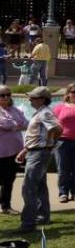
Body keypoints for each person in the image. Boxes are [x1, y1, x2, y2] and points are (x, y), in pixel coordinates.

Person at [16, 86, 61, 232]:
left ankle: (28, 223)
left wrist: (49, 143)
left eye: (33, 97)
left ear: (42, 99)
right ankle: (42, 216)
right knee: (40, 186)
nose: (30, 99)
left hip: (39, 154)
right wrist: (26, 149)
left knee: (28, 188)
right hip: (36, 152)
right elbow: (39, 135)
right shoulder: (40, 113)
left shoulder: (45, 113)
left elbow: (58, 129)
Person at [0, 86, 25, 215]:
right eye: (2, 95)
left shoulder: (15, 110)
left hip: (15, 151)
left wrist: (14, 125)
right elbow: (4, 124)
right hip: (1, 152)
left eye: (8, 94)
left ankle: (5, 206)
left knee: (9, 180)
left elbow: (25, 123)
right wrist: (16, 124)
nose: (6, 97)